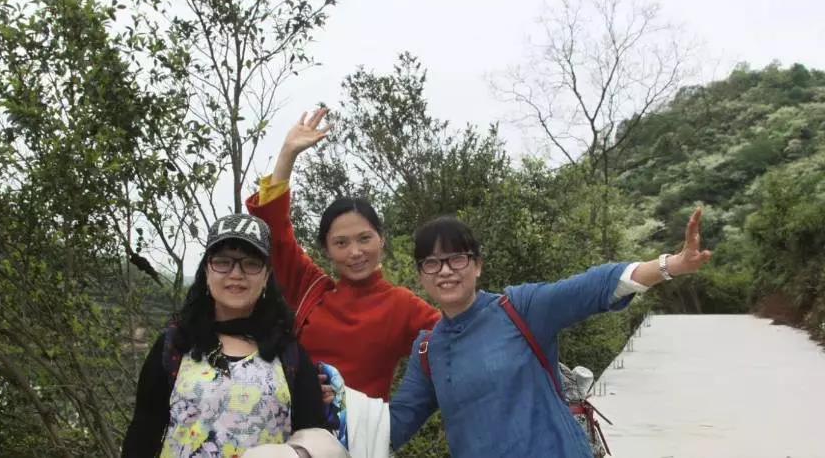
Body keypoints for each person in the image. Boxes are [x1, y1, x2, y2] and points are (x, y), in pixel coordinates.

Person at [389, 210, 713, 457]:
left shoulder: (518, 309)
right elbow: (396, 424)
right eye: (432, 263)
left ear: (477, 265)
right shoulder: (428, 349)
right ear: (420, 275)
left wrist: (672, 265)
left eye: (457, 259)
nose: (445, 271)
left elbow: (594, 286)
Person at [246, 108, 440, 401]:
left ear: (381, 239)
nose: (355, 252)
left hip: (361, 430)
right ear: (326, 249)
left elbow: (455, 341)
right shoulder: (312, 289)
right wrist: (287, 154)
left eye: (364, 238)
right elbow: (275, 231)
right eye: (341, 243)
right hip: (297, 421)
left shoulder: (402, 305)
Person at [121, 214, 340, 457]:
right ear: (207, 270)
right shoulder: (175, 345)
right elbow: (143, 433)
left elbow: (314, 438)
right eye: (223, 262)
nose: (236, 273)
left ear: (266, 276)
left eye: (251, 263)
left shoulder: (288, 353)